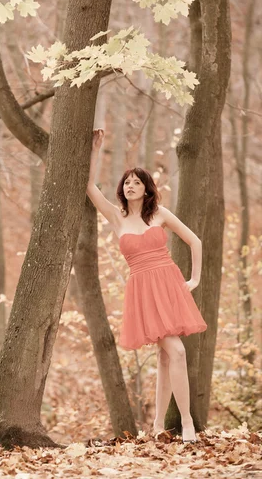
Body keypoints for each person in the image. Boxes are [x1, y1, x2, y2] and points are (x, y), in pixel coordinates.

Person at [86, 129, 207, 444]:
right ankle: (163, 423)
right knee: (169, 355)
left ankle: (183, 422)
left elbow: (195, 241)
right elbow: (88, 187)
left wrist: (193, 279)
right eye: (126, 182)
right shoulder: (117, 218)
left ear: (147, 189)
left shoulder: (159, 215)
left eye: (137, 182)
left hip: (168, 285)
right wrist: (96, 149)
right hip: (142, 290)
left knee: (173, 354)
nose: (130, 185)